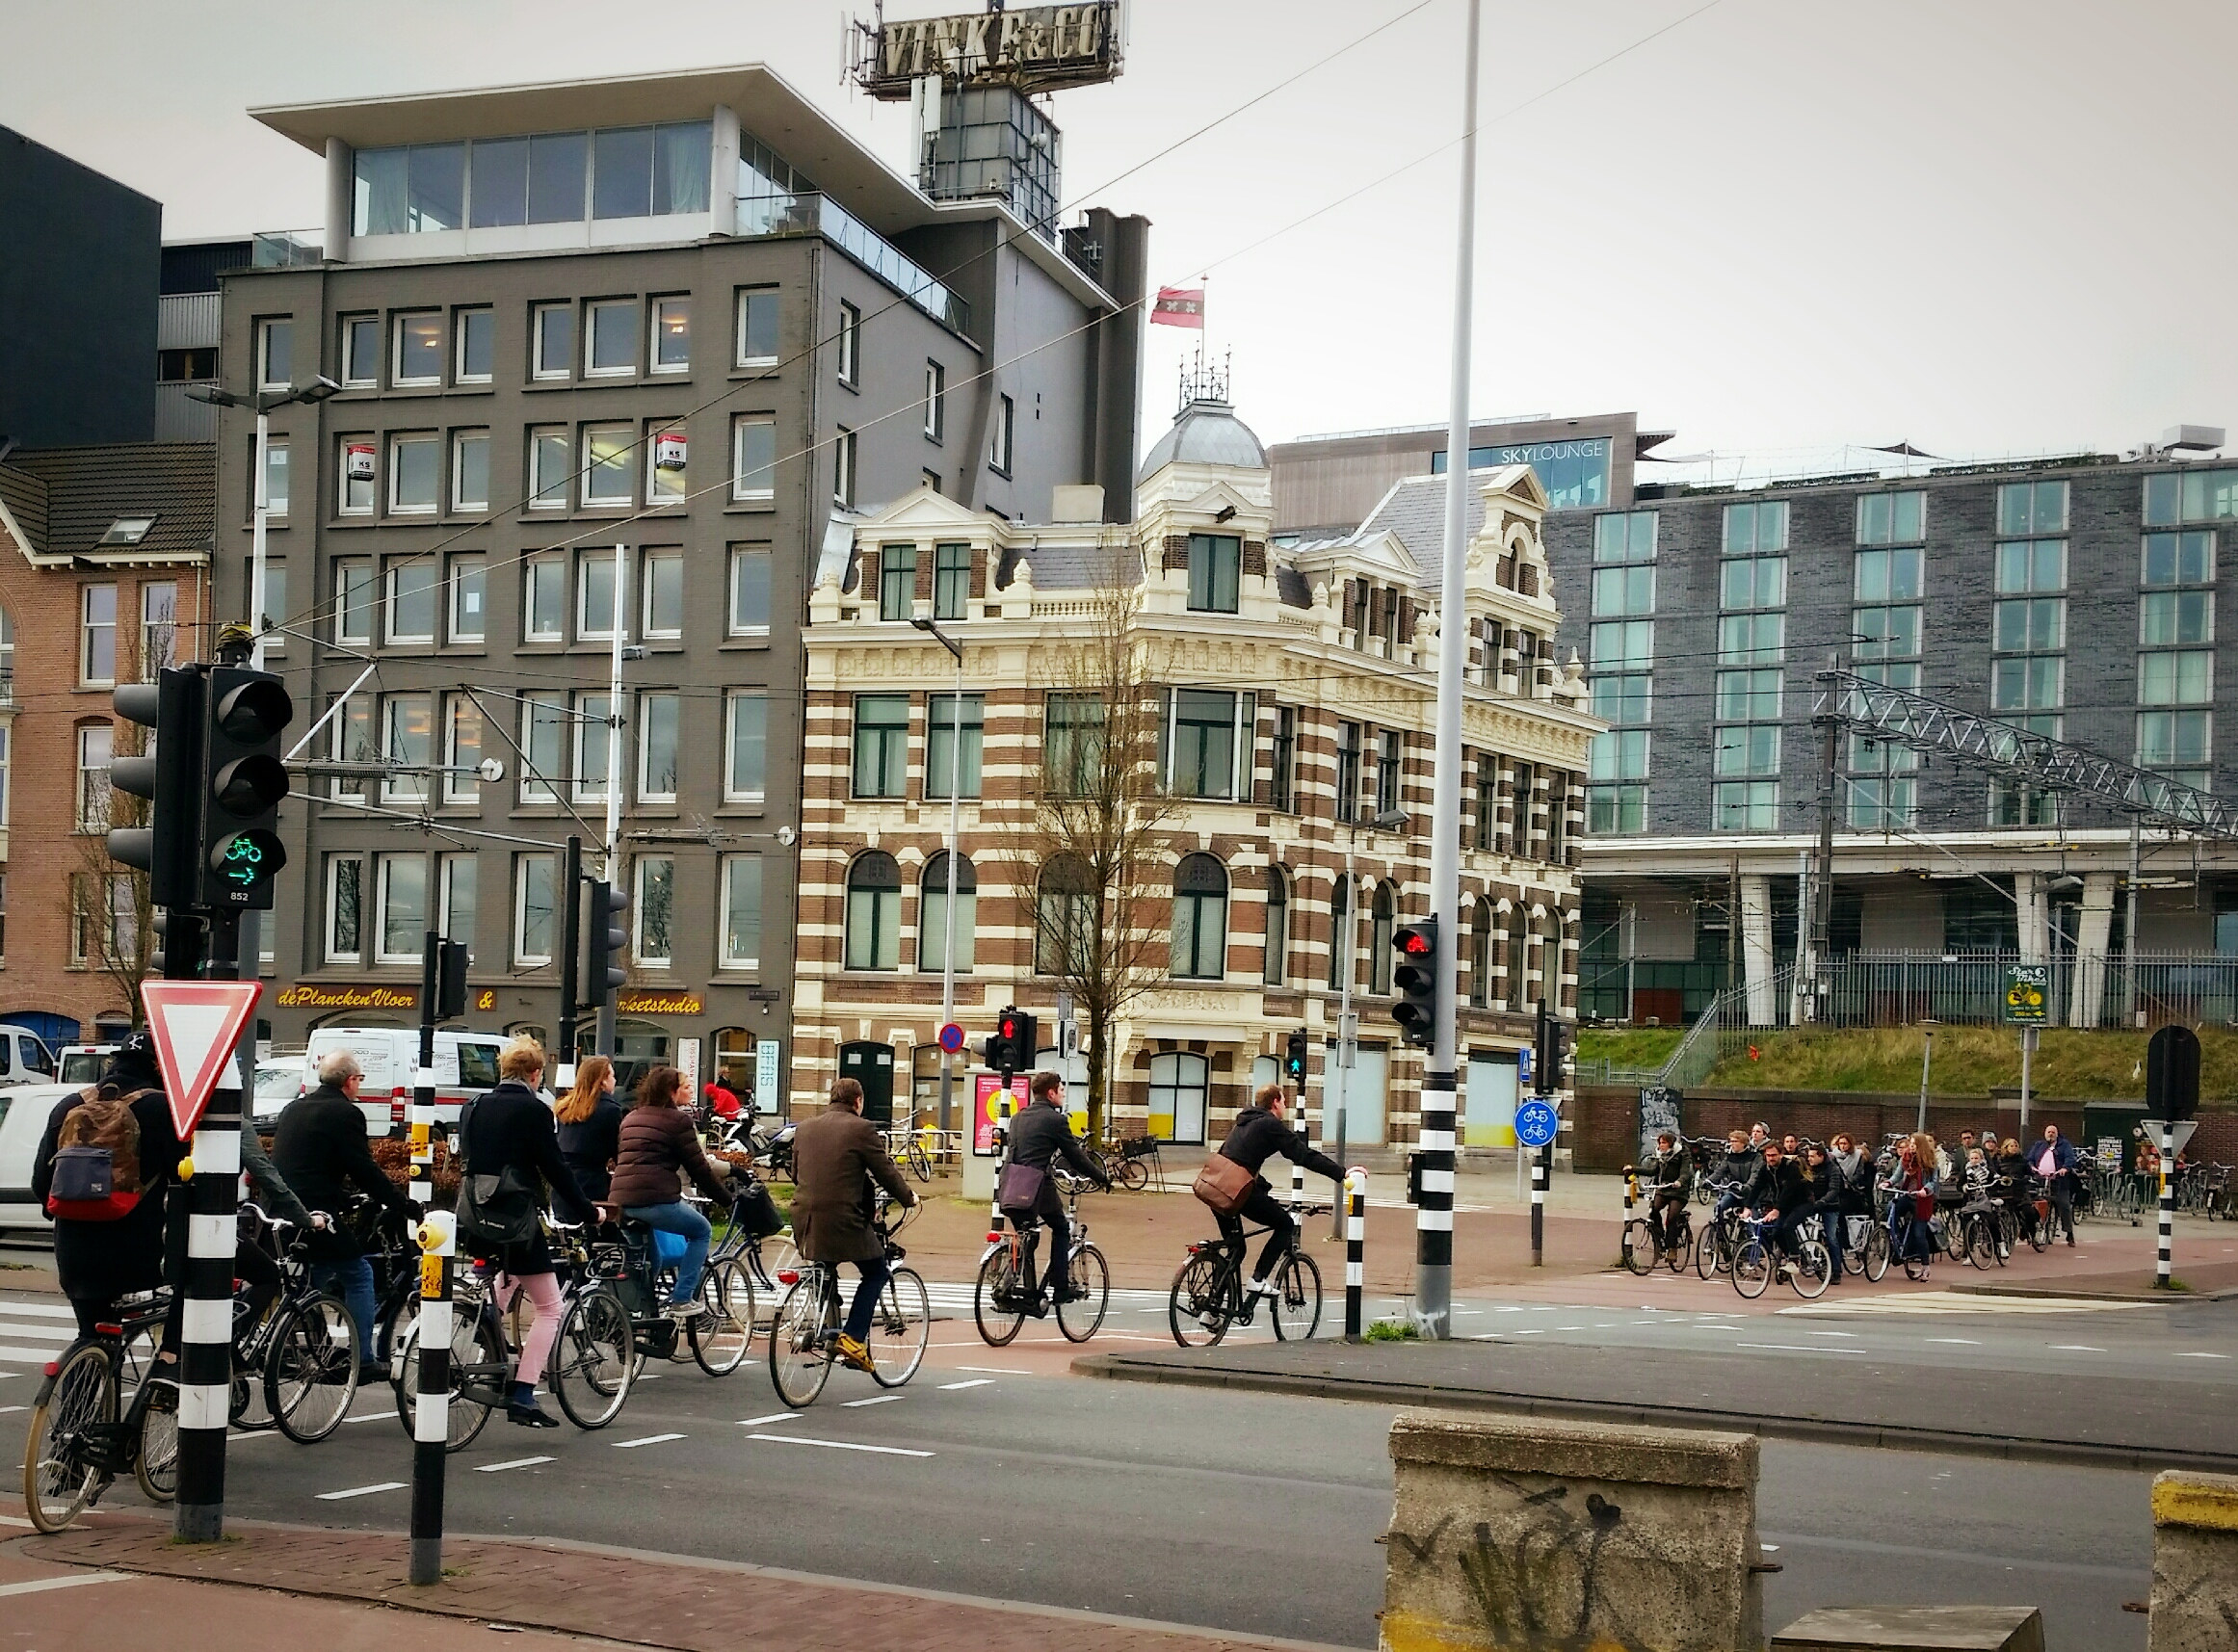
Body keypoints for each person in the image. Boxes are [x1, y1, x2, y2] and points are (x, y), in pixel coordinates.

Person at [458, 1039, 598, 1428]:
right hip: (515, 1221)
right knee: (550, 1307)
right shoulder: (535, 1111)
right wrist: (588, 1211)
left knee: (499, 1283)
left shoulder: (474, 1107)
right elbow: (554, 1167)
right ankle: (522, 1394)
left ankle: (487, 1346)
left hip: (474, 1216)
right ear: (536, 1074)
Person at [30, 1033, 189, 1342]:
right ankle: (166, 1363)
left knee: (90, 1336)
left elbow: (40, 1182)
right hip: (135, 1251)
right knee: (194, 1285)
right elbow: (183, 1179)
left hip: (74, 1251)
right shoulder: (162, 1110)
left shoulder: (69, 1105)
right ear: (158, 1067)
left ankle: (82, 1379)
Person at [271, 1050, 414, 1383]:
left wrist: (343, 1197)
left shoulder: (294, 1108)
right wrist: (402, 1204)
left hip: (282, 1209)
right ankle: (363, 1359)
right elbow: (363, 1169)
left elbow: (306, 1163)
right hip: (316, 1214)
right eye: (360, 1079)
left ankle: (296, 1343)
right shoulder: (345, 1113)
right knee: (359, 1273)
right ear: (350, 1081)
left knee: (314, 1276)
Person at [791, 1076, 918, 1374]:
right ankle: (852, 1338)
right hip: (842, 1219)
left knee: (824, 1265)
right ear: (858, 1102)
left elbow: (797, 1173)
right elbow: (884, 1171)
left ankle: (825, 1324)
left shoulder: (805, 1127)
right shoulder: (861, 1128)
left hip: (804, 1217)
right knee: (876, 1273)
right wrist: (907, 1197)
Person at [609, 1064, 733, 1320]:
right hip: (655, 1199)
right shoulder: (678, 1120)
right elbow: (698, 1168)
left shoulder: (631, 1117)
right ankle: (683, 1298)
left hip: (621, 1201)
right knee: (701, 1231)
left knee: (648, 1261)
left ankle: (640, 1315)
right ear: (671, 1091)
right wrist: (725, 1199)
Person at [1206, 1083, 1344, 1300]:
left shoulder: (1243, 1121)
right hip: (1237, 1192)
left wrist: (1264, 1188)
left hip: (1214, 1189)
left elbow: (1240, 1159)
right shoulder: (1270, 1124)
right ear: (1275, 1102)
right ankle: (1258, 1279)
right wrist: (1341, 1174)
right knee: (1285, 1224)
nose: (1286, 1106)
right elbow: (1303, 1155)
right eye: (1284, 1101)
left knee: (1236, 1249)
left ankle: (1212, 1308)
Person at [1001, 1071, 1111, 1301]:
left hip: (1009, 1185)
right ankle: (1061, 1288)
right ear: (1051, 1093)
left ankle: (1020, 1288)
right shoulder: (1056, 1120)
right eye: (1061, 1090)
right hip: (1035, 1185)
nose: (1063, 1094)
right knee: (1060, 1228)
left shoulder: (1018, 1117)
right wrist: (1101, 1177)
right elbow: (1075, 1156)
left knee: (1027, 1235)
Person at [554, 1055, 624, 1205]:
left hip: (562, 1185)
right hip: (592, 1185)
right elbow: (618, 1151)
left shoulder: (564, 1108)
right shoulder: (610, 1110)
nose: (615, 1080)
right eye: (612, 1075)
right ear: (603, 1081)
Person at [1737, 1139, 1808, 1270]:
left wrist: (1776, 1209)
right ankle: (1794, 1257)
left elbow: (1789, 1190)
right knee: (1776, 1233)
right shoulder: (1766, 1169)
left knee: (1788, 1226)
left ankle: (1795, 1259)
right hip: (1784, 1205)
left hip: (1802, 1203)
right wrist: (1747, 1207)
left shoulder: (1790, 1167)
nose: (1771, 1158)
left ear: (1781, 1154)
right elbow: (1757, 1188)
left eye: (1774, 1155)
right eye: (1768, 1156)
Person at [1883, 1132, 1937, 1267]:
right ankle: (1897, 1237)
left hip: (1921, 1200)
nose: (1911, 1147)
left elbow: (1934, 1181)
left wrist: (1925, 1190)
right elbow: (1897, 1175)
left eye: (1914, 1144)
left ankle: (1925, 1266)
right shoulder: (1905, 1159)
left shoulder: (1929, 1160)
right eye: (1911, 1144)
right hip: (1907, 1195)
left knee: (1919, 1235)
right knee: (1892, 1206)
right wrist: (1888, 1183)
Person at [1801, 1142, 1845, 1283]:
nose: (1809, 1159)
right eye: (1808, 1156)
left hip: (1829, 1207)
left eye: (1813, 1156)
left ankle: (1837, 1271)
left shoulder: (1833, 1169)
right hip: (1812, 1205)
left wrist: (1823, 1201)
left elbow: (1834, 1190)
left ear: (1821, 1156)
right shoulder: (1808, 1169)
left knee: (1831, 1238)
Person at [1644, 1130, 1691, 1252]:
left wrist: (1680, 1181)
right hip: (1664, 1189)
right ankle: (1659, 1239)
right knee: (1653, 1210)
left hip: (1679, 1192)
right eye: (1659, 1143)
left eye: (1663, 1143)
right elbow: (1653, 1171)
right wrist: (1633, 1169)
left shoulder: (1682, 1154)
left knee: (1672, 1217)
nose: (1660, 1146)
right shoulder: (1660, 1155)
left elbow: (1686, 1172)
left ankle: (1672, 1247)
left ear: (1671, 1144)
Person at [2032, 1123, 2078, 1246]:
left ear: (2057, 1134)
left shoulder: (2064, 1145)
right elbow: (2030, 1158)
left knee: (2064, 1205)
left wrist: (2065, 1168)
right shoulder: (2039, 1145)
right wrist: (2031, 1167)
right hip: (2041, 1180)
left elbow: (2070, 1158)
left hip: (2059, 1181)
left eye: (2053, 1132)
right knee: (2034, 1204)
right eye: (2048, 1132)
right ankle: (2032, 1230)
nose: (2050, 1134)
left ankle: (2069, 1234)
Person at [1712, 1130, 1758, 1221]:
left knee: (1751, 1219)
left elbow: (1755, 1174)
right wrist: (1709, 1181)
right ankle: (1719, 1233)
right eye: (1731, 1141)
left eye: (1735, 1141)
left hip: (1751, 1194)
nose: (1732, 1144)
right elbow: (1719, 1172)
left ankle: (1750, 1234)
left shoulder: (1754, 1157)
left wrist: (1749, 1185)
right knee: (1719, 1207)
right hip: (1734, 1192)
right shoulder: (1729, 1157)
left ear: (1743, 1143)